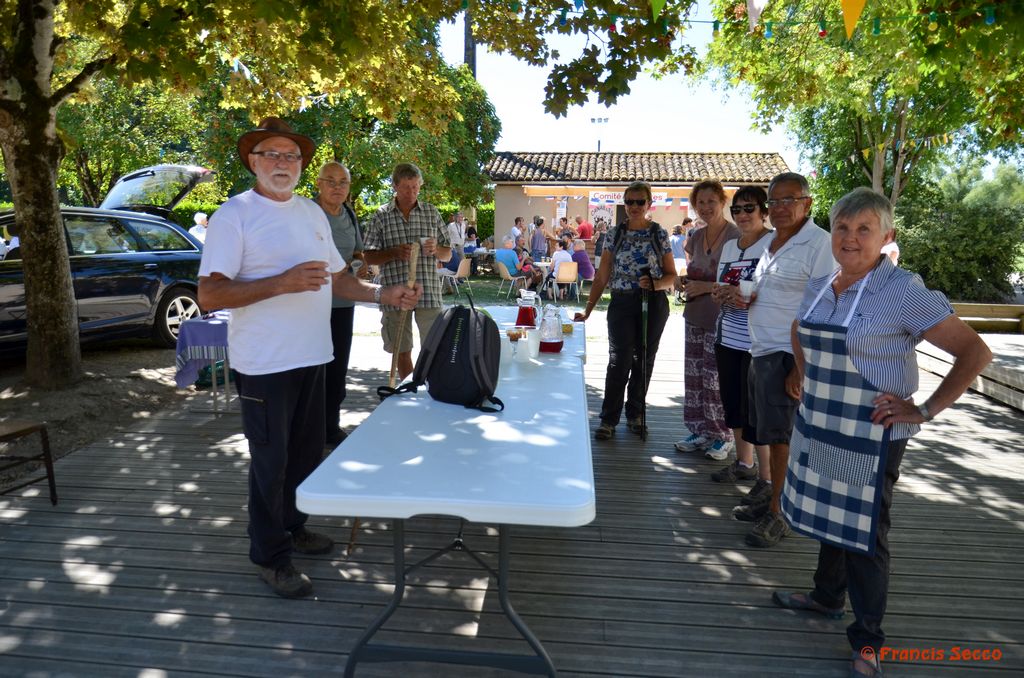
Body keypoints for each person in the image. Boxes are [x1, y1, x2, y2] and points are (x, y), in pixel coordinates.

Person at [769, 187, 991, 678]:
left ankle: (867, 638)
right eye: (843, 228)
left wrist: (924, 409)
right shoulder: (823, 284)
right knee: (832, 512)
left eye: (863, 229)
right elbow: (799, 330)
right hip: (825, 423)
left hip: (873, 435)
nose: (850, 238)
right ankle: (827, 596)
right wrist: (804, 373)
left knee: (866, 533)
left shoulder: (902, 290)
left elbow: (975, 352)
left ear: (887, 235)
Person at [197, 117, 421, 599]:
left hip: (313, 355)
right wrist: (283, 282)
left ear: (302, 165)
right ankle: (270, 556)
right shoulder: (234, 215)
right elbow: (210, 295)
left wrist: (384, 294)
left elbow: (338, 279)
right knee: (270, 461)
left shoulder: (311, 214)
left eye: (291, 156)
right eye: (272, 154)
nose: (283, 163)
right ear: (253, 161)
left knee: (305, 453)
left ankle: (293, 526)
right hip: (264, 364)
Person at [732, 172, 836, 548]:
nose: (779, 208)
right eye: (773, 201)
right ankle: (775, 497)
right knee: (770, 434)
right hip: (761, 350)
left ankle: (781, 514)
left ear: (807, 203)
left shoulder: (819, 243)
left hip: (787, 355)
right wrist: (746, 297)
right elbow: (773, 291)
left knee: (782, 440)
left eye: (788, 200)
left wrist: (800, 365)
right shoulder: (773, 242)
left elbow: (825, 306)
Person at [574, 181, 676, 440]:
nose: (634, 206)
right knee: (618, 360)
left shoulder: (659, 234)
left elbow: (671, 275)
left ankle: (636, 414)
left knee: (644, 359)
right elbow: (602, 274)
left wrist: (655, 284)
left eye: (640, 201)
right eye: (629, 201)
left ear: (649, 204)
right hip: (621, 302)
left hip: (652, 303)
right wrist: (588, 310)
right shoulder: (615, 234)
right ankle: (608, 419)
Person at [708, 187, 774, 504]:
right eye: (737, 209)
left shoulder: (774, 244)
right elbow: (723, 284)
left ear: (764, 211)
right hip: (728, 336)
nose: (743, 215)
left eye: (749, 208)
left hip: (759, 341)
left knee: (757, 412)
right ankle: (744, 463)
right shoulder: (730, 246)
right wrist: (720, 293)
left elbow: (778, 291)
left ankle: (768, 478)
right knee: (733, 403)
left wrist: (748, 296)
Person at [363, 163, 452, 381]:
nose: (411, 192)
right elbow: (368, 256)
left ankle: (430, 390)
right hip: (395, 292)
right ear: (394, 186)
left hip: (428, 291)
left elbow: (448, 255)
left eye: (415, 187)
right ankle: (408, 391)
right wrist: (393, 253)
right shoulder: (381, 215)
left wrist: (436, 249)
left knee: (433, 348)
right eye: (405, 187)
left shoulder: (430, 212)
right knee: (401, 350)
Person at [673, 180, 740, 461]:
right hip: (694, 315)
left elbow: (739, 281)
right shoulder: (696, 236)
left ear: (723, 202)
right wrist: (682, 281)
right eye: (700, 202)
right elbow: (694, 270)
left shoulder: (736, 236)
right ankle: (699, 430)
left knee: (715, 379)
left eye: (711, 201)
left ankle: (723, 435)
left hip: (723, 318)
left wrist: (703, 286)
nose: (705, 207)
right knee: (694, 377)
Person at [315, 161, 364, 448]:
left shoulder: (349, 214)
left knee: (337, 369)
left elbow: (358, 253)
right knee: (313, 370)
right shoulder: (308, 214)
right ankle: (309, 429)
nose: (337, 187)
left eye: (342, 182)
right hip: (311, 306)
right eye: (330, 181)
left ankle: (330, 427)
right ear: (318, 184)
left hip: (344, 303)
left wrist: (353, 266)